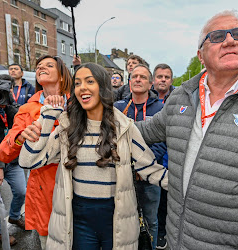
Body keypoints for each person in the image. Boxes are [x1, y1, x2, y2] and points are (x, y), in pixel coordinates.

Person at [136, 10, 238, 249]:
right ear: (200, 55)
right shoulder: (181, 98)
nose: (230, 40)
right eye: (218, 36)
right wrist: (94, 115)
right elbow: (144, 131)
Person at [18, 63, 168, 249]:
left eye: (90, 81)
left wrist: (191, 188)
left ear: (103, 87)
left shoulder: (124, 127)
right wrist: (47, 117)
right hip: (79, 220)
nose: (83, 88)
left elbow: (151, 170)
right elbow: (27, 161)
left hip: (116, 219)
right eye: (78, 83)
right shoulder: (67, 128)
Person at [0, 55, 72, 249]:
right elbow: (4, 152)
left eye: (49, 65)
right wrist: (22, 137)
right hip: (45, 189)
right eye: (39, 66)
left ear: (63, 76)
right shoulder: (27, 108)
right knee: (48, 241)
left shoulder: (78, 103)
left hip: (78, 182)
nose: (41, 68)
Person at [114, 64, 166, 249]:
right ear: (129, 82)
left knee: (151, 219)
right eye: (134, 76)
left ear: (150, 83)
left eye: (143, 77)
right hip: (122, 175)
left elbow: (162, 141)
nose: (138, 79)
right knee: (123, 219)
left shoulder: (161, 107)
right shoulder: (117, 107)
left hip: (150, 176)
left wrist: (144, 167)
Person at [0, 75, 26, 246]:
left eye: (6, 92)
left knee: (21, 191)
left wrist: (10, 106)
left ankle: (15, 217)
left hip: (13, 162)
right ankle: (1, 232)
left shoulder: (12, 110)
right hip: (0, 163)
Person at [152, 63, 174, 249]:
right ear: (154, 80)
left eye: (166, 77)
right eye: (160, 77)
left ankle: (164, 234)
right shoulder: (147, 100)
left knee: (167, 203)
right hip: (150, 162)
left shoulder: (178, 99)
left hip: (170, 162)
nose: (163, 80)